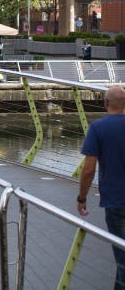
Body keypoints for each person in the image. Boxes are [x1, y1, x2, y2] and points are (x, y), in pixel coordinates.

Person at [78, 85, 125, 290]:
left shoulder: (98, 128)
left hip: (115, 201)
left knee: (122, 256)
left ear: (105, 103)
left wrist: (82, 197)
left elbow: (89, 169)